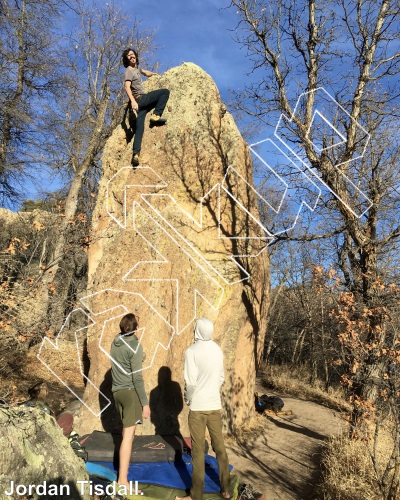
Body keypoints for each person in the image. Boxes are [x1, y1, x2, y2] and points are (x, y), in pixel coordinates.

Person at [176, 318, 231, 500]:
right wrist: (211, 390)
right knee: (219, 448)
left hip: (198, 407)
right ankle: (226, 488)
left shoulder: (191, 351)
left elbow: (190, 382)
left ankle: (196, 494)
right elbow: (221, 377)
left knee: (197, 452)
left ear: (197, 330)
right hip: (214, 405)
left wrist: (188, 399)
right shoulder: (217, 350)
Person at [110, 313, 150, 491]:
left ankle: (122, 475)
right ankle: (123, 481)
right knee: (128, 437)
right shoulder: (135, 346)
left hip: (117, 392)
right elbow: (137, 379)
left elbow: (123, 360)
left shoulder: (115, 341)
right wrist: (145, 403)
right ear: (135, 327)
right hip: (130, 394)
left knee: (128, 435)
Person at [122, 48, 170, 167]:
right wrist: (132, 101)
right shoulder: (128, 71)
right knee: (164, 92)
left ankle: (136, 155)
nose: (132, 57)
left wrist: (153, 74)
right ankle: (156, 115)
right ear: (126, 59)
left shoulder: (137, 68)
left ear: (136, 56)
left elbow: (144, 72)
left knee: (139, 129)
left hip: (141, 106)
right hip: (140, 99)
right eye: (129, 56)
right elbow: (127, 87)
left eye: (133, 55)